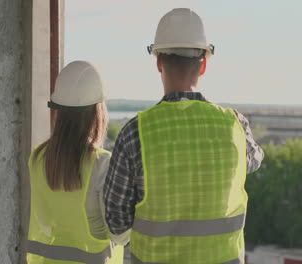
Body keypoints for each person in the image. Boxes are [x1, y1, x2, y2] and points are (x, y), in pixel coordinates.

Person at [104, 8, 264, 264]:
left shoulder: (135, 133)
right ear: (203, 65)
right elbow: (254, 161)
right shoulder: (235, 125)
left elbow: (115, 220)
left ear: (158, 62)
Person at [27, 61, 124, 264]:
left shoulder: (38, 158)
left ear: (59, 111)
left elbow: (44, 222)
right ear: (98, 112)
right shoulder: (102, 163)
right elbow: (118, 233)